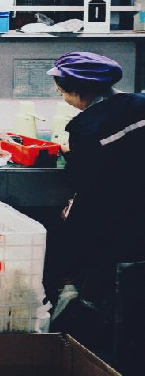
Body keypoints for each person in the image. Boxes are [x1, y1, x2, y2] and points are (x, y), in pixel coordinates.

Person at [44, 52, 145, 371]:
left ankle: (89, 347)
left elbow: (86, 182)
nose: (63, 97)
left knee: (74, 255)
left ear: (79, 92)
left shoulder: (86, 127)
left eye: (62, 91)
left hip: (116, 218)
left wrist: (71, 154)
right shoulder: (140, 103)